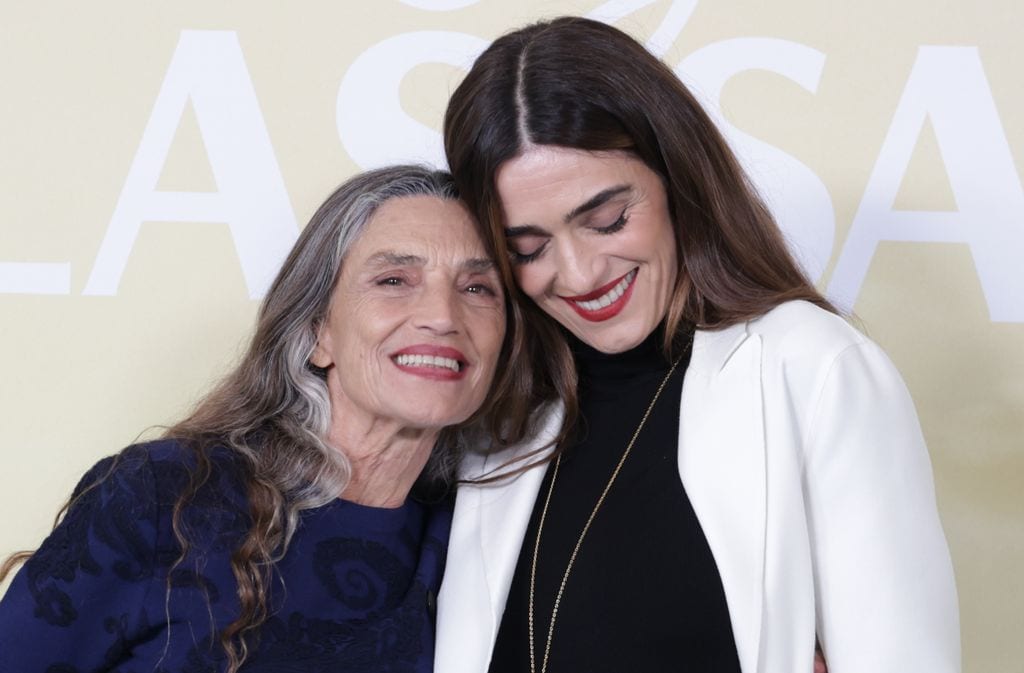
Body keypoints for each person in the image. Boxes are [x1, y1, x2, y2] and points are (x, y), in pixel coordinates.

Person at [436, 16, 960, 673]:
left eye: (606, 220)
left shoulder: (815, 368)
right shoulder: (501, 417)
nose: (578, 274)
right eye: (528, 248)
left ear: (675, 176)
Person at [0, 165, 521, 673]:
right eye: (393, 280)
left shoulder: (480, 533)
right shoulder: (163, 497)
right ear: (319, 330)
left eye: (478, 288)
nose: (442, 315)